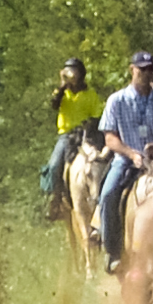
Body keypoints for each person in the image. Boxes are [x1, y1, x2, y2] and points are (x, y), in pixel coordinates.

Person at [97, 52, 153, 273]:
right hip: (126, 161)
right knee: (108, 194)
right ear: (132, 70)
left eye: (149, 70)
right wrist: (132, 154)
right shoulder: (116, 100)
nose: (146, 74)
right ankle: (113, 252)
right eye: (141, 70)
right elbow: (110, 137)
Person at [42, 58, 104, 212]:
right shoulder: (63, 93)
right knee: (55, 164)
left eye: (74, 72)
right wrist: (62, 86)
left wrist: (89, 125)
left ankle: (99, 194)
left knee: (100, 160)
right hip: (67, 135)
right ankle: (54, 199)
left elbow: (97, 115)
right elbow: (54, 104)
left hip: (85, 134)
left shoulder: (90, 94)